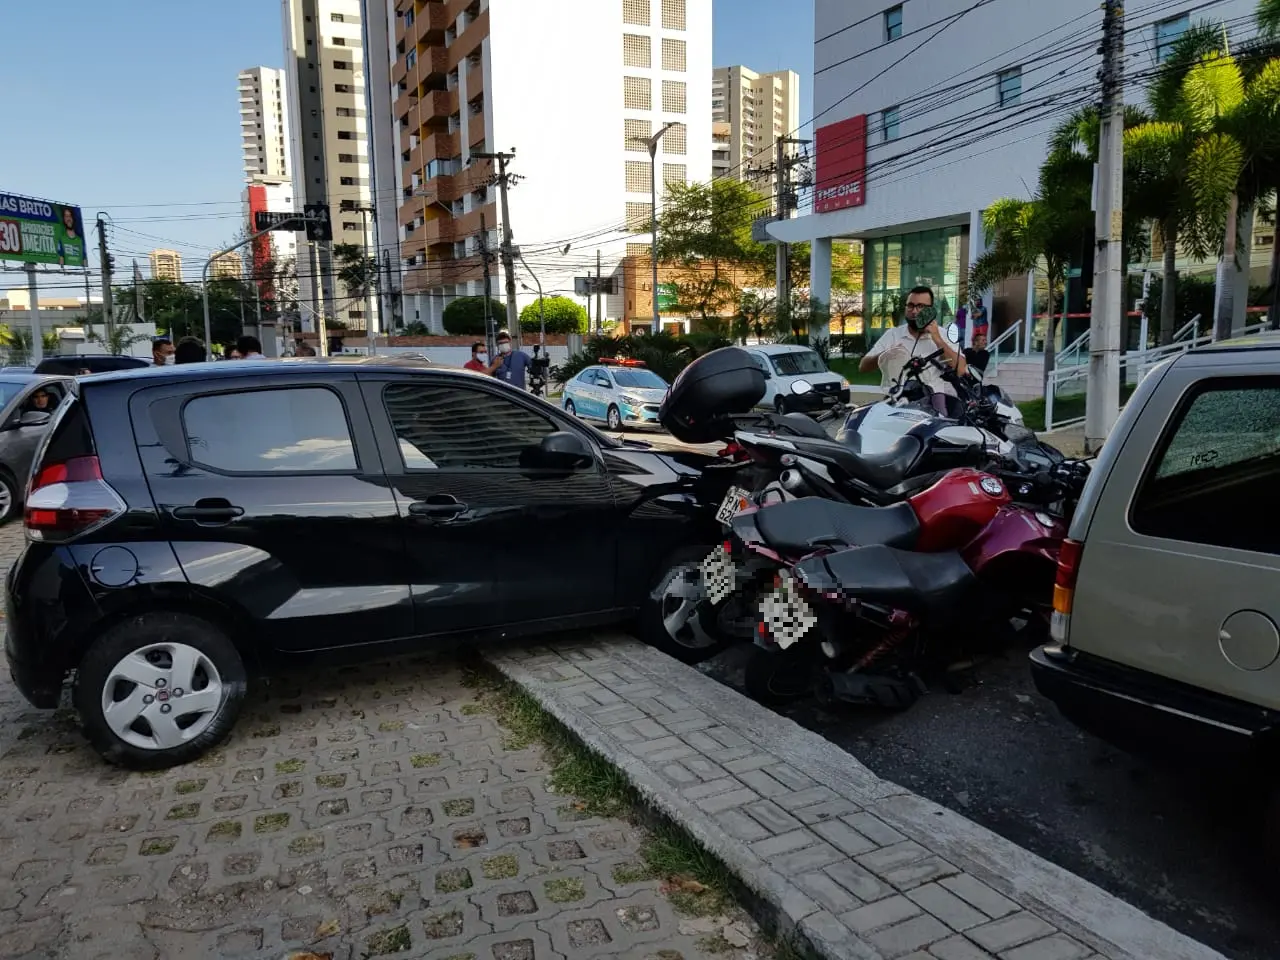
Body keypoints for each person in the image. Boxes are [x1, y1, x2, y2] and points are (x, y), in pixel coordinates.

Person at [859, 285, 967, 402]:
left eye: (920, 306)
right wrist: (886, 354)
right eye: (910, 305)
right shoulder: (893, 334)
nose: (914, 311)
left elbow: (961, 369)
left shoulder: (943, 335)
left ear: (930, 310)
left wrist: (937, 339)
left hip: (932, 404)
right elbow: (863, 366)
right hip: (898, 400)